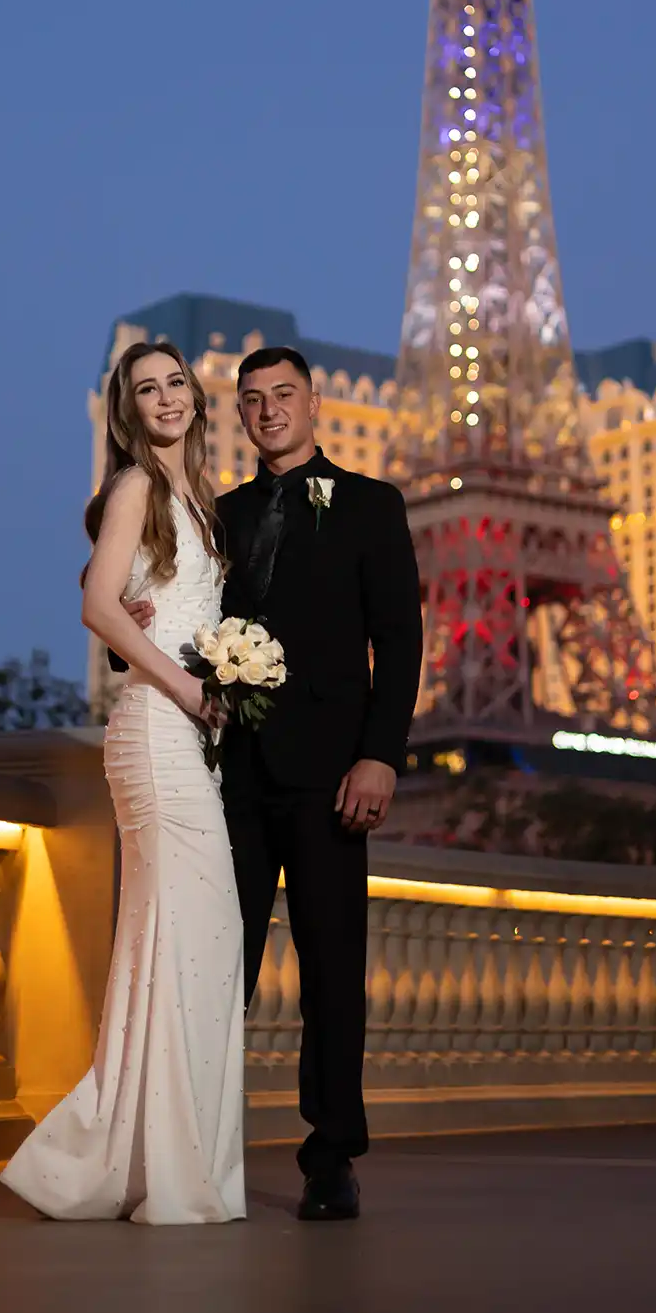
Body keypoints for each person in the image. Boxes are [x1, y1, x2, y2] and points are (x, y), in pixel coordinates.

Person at [128, 345, 423, 1221]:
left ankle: (331, 1158)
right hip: (231, 776)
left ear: (315, 402)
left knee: (332, 971)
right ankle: (196, 1150)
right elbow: (181, 624)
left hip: (334, 776)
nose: (268, 411)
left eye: (283, 395)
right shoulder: (220, 514)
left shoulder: (371, 504)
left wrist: (381, 755)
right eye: (252, 400)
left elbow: (398, 640)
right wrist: (135, 623)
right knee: (222, 966)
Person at [0, 340, 245, 1225]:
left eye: (177, 382)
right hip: (154, 730)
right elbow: (98, 605)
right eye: (148, 389)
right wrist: (186, 688)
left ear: (197, 398)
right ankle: (156, 1167)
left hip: (188, 736)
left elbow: (158, 604)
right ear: (128, 410)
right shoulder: (136, 486)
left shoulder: (202, 501)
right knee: (187, 935)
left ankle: (157, 1162)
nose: (167, 397)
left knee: (188, 940)